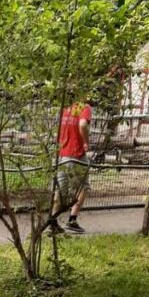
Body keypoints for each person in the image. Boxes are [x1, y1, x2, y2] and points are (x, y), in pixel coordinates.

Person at [50, 99, 92, 235]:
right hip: (76, 154)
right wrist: (86, 143)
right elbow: (83, 124)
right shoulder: (84, 108)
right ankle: (72, 220)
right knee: (82, 187)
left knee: (60, 190)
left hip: (60, 155)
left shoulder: (65, 108)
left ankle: (53, 221)